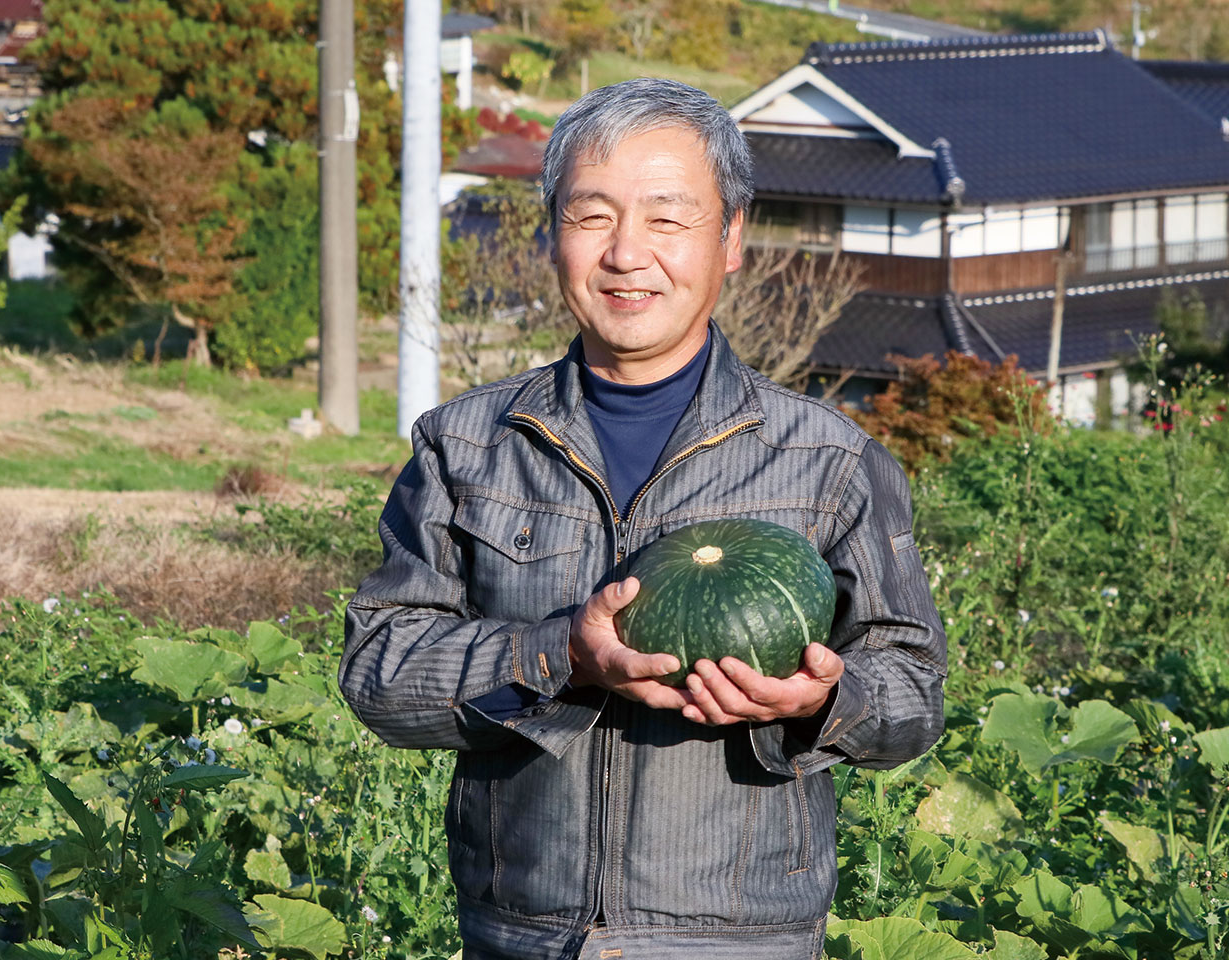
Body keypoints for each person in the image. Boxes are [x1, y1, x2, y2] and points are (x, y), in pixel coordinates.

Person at [339, 78, 947, 960]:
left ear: (731, 239)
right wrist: (559, 657)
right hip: (524, 940)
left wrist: (825, 699)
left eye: (668, 219)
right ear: (554, 233)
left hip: (741, 945)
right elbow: (380, 674)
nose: (627, 254)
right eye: (593, 217)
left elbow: (914, 692)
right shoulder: (466, 446)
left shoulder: (828, 458)